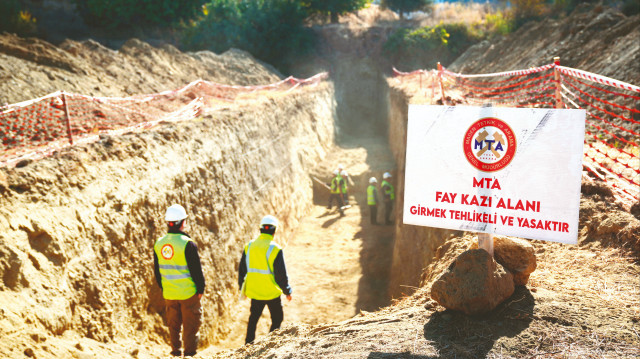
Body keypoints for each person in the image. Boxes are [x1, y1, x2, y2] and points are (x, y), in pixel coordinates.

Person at [153, 204, 205, 358]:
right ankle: (189, 355)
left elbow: (157, 272)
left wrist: (165, 288)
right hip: (188, 293)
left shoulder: (159, 243)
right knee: (191, 327)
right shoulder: (187, 244)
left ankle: (175, 354)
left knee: (173, 326)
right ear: (183, 223)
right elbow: (196, 271)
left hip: (169, 293)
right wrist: (200, 290)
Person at [238, 215, 293, 344]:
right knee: (277, 319)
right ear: (274, 231)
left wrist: (242, 288)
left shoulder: (249, 246)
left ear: (260, 229)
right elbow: (281, 275)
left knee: (253, 319)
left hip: (255, 291)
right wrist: (287, 291)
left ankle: (248, 344)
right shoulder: (275, 249)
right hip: (271, 292)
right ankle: (271, 344)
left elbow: (242, 270)